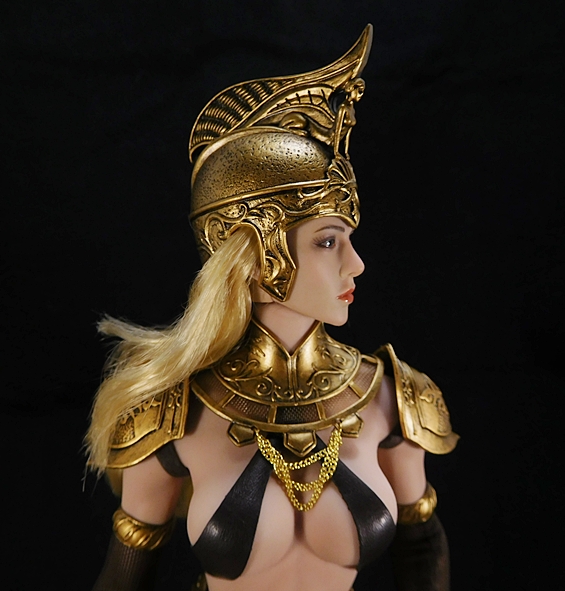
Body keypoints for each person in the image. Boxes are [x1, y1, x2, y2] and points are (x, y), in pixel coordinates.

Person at [86, 25, 459, 591]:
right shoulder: (171, 411)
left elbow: (423, 551)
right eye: (327, 241)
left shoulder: (390, 398)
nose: (356, 264)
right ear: (260, 252)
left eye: (346, 240)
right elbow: (124, 579)